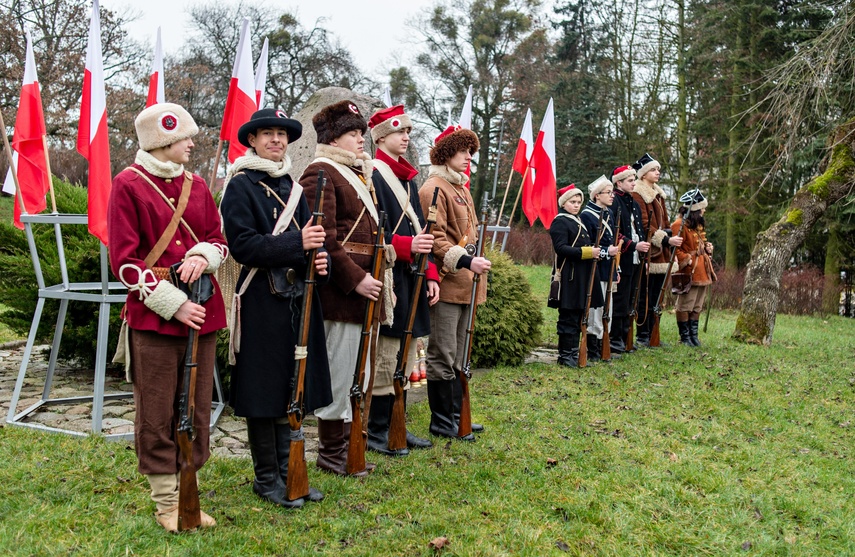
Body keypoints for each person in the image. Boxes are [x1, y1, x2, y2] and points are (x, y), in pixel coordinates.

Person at [108, 103, 227, 532]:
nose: (192, 144)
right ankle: (165, 501)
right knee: (157, 409)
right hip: (156, 315)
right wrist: (172, 303)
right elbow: (123, 261)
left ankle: (189, 487)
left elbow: (218, 239)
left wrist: (203, 254)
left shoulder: (197, 186)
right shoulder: (127, 184)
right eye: (185, 139)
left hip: (204, 310)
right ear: (163, 141)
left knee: (195, 406)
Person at [219, 108, 333, 508]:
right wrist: (296, 246)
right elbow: (243, 245)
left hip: (297, 300)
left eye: (282, 135)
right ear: (252, 140)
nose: (276, 141)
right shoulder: (241, 186)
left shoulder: (293, 187)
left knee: (292, 387)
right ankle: (266, 478)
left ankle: (289, 472)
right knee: (263, 391)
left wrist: (321, 260)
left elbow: (312, 242)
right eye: (267, 134)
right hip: (260, 301)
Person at [301, 100, 382, 476]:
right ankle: (332, 453)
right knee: (340, 372)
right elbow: (324, 239)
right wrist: (356, 279)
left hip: (366, 288)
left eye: (361, 132)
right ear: (334, 137)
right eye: (353, 133)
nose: (361, 139)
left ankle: (351, 444)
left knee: (359, 374)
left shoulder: (358, 173)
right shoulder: (321, 172)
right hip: (340, 292)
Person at [365, 104, 437, 456]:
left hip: (413, 276)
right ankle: (377, 431)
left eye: (407, 132)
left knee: (407, 353)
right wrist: (408, 246)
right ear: (381, 137)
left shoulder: (410, 178)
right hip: (390, 274)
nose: (406, 137)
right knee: (386, 355)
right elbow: (370, 234)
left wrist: (433, 273)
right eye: (398, 132)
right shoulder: (373, 174)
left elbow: (423, 228)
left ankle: (398, 425)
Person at [418, 125, 490, 441]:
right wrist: (465, 261)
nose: (468, 160)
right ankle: (442, 419)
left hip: (466, 283)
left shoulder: (460, 188)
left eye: (470, 154)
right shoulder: (435, 188)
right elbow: (435, 239)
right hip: (447, 282)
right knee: (443, 353)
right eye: (463, 153)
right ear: (446, 154)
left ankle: (457, 414)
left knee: (460, 354)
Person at [549, 184, 604, 367]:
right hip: (569, 276)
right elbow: (561, 248)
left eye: (579, 202)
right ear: (564, 203)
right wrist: (588, 252)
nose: (576, 205)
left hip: (582, 275)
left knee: (580, 316)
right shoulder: (560, 221)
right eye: (572, 202)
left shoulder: (577, 220)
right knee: (568, 317)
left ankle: (574, 355)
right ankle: (566, 357)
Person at [630, 153, 682, 348]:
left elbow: (666, 223)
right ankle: (643, 334)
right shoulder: (638, 193)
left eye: (658, 169)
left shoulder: (658, 194)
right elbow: (644, 225)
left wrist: (670, 238)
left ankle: (654, 333)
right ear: (643, 174)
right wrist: (666, 238)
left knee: (657, 295)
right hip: (648, 252)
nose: (657, 172)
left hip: (662, 251)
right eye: (653, 169)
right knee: (645, 294)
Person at [609, 165, 650, 354]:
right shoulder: (615, 202)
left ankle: (626, 337)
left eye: (634, 180)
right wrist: (634, 245)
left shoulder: (632, 202)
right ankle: (615, 339)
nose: (634, 183)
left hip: (635, 258)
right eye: (630, 181)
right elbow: (614, 233)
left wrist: (641, 249)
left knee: (631, 299)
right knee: (620, 299)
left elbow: (638, 229)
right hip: (622, 258)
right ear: (619, 182)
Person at [579, 176, 621, 362]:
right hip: (596, 267)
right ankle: (593, 349)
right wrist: (606, 252)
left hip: (609, 267)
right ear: (597, 195)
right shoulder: (587, 215)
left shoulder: (609, 213)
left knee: (607, 309)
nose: (612, 196)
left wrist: (616, 269)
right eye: (608, 192)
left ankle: (603, 343)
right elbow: (588, 245)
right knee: (596, 308)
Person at [671, 189, 715, 346]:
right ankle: (685, 338)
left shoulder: (696, 225)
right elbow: (675, 249)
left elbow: (699, 243)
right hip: (689, 271)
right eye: (702, 208)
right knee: (685, 305)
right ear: (695, 209)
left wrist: (707, 248)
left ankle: (693, 336)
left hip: (702, 270)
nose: (704, 211)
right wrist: (687, 260)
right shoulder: (678, 225)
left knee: (697, 305)